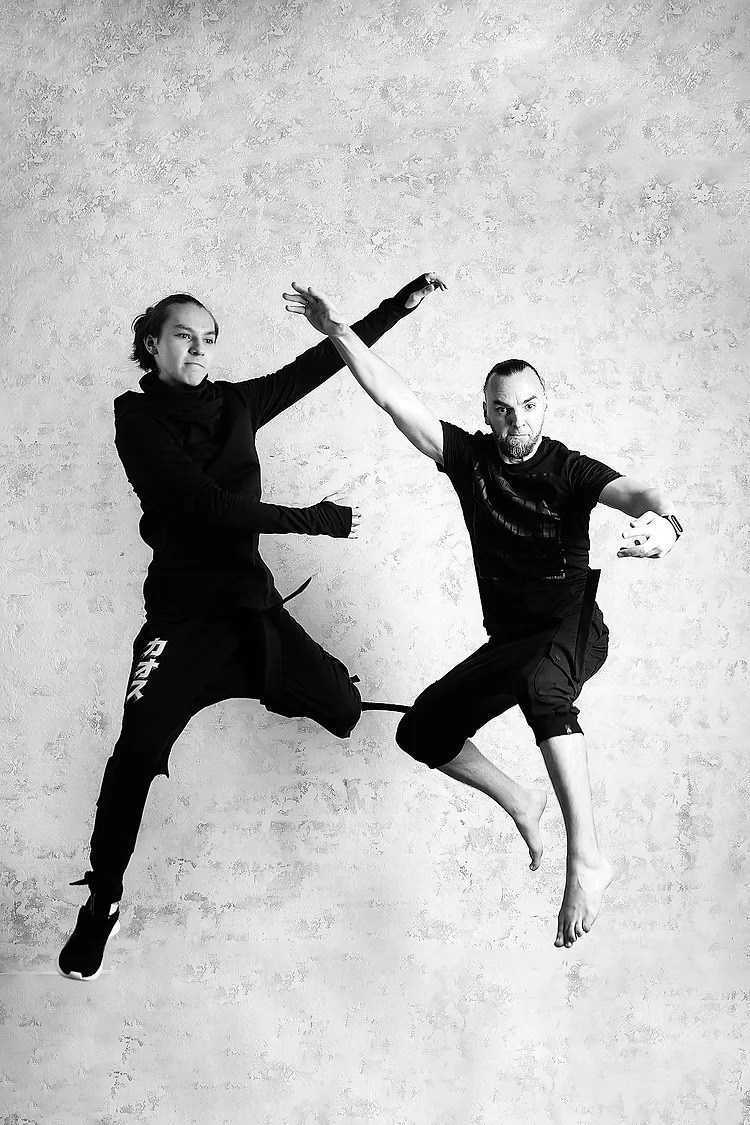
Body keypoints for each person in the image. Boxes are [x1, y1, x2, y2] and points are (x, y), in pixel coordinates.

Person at [58, 273, 440, 980]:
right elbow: (205, 505)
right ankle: (102, 898)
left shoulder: (237, 403)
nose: (198, 347)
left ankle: (256, 674)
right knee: (136, 751)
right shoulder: (136, 419)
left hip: (250, 611)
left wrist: (389, 308)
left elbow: (316, 368)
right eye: (183, 335)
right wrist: (312, 519)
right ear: (152, 345)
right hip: (183, 622)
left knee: (345, 708)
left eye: (208, 338)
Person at [284, 275, 683, 949]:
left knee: (543, 684)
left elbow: (639, 491)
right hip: (513, 641)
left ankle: (587, 857)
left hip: (571, 629)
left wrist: (666, 524)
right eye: (502, 409)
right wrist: (338, 330)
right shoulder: (469, 459)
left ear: (545, 406)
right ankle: (523, 801)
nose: (516, 420)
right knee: (422, 730)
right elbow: (394, 398)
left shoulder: (569, 469)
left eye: (528, 406)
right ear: (487, 412)